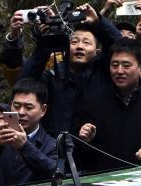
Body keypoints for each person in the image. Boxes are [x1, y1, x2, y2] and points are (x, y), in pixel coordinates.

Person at [76, 38, 141, 170]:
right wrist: (86, 139)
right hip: (107, 177)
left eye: (126, 65)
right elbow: (83, 151)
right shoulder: (94, 102)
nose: (119, 71)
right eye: (114, 65)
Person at [19, 4, 123, 135]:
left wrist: (98, 22)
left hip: (93, 145)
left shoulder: (103, 74)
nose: (79, 46)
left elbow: (121, 47)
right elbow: (24, 83)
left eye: (86, 42)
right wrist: (48, 40)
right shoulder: (52, 77)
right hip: (53, 145)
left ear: (97, 51)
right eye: (74, 42)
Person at [0, 78, 58, 186]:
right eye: (16, 106)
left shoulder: (51, 144)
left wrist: (25, 147)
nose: (21, 112)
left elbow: (54, 175)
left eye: (28, 107)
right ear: (11, 105)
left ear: (43, 110)